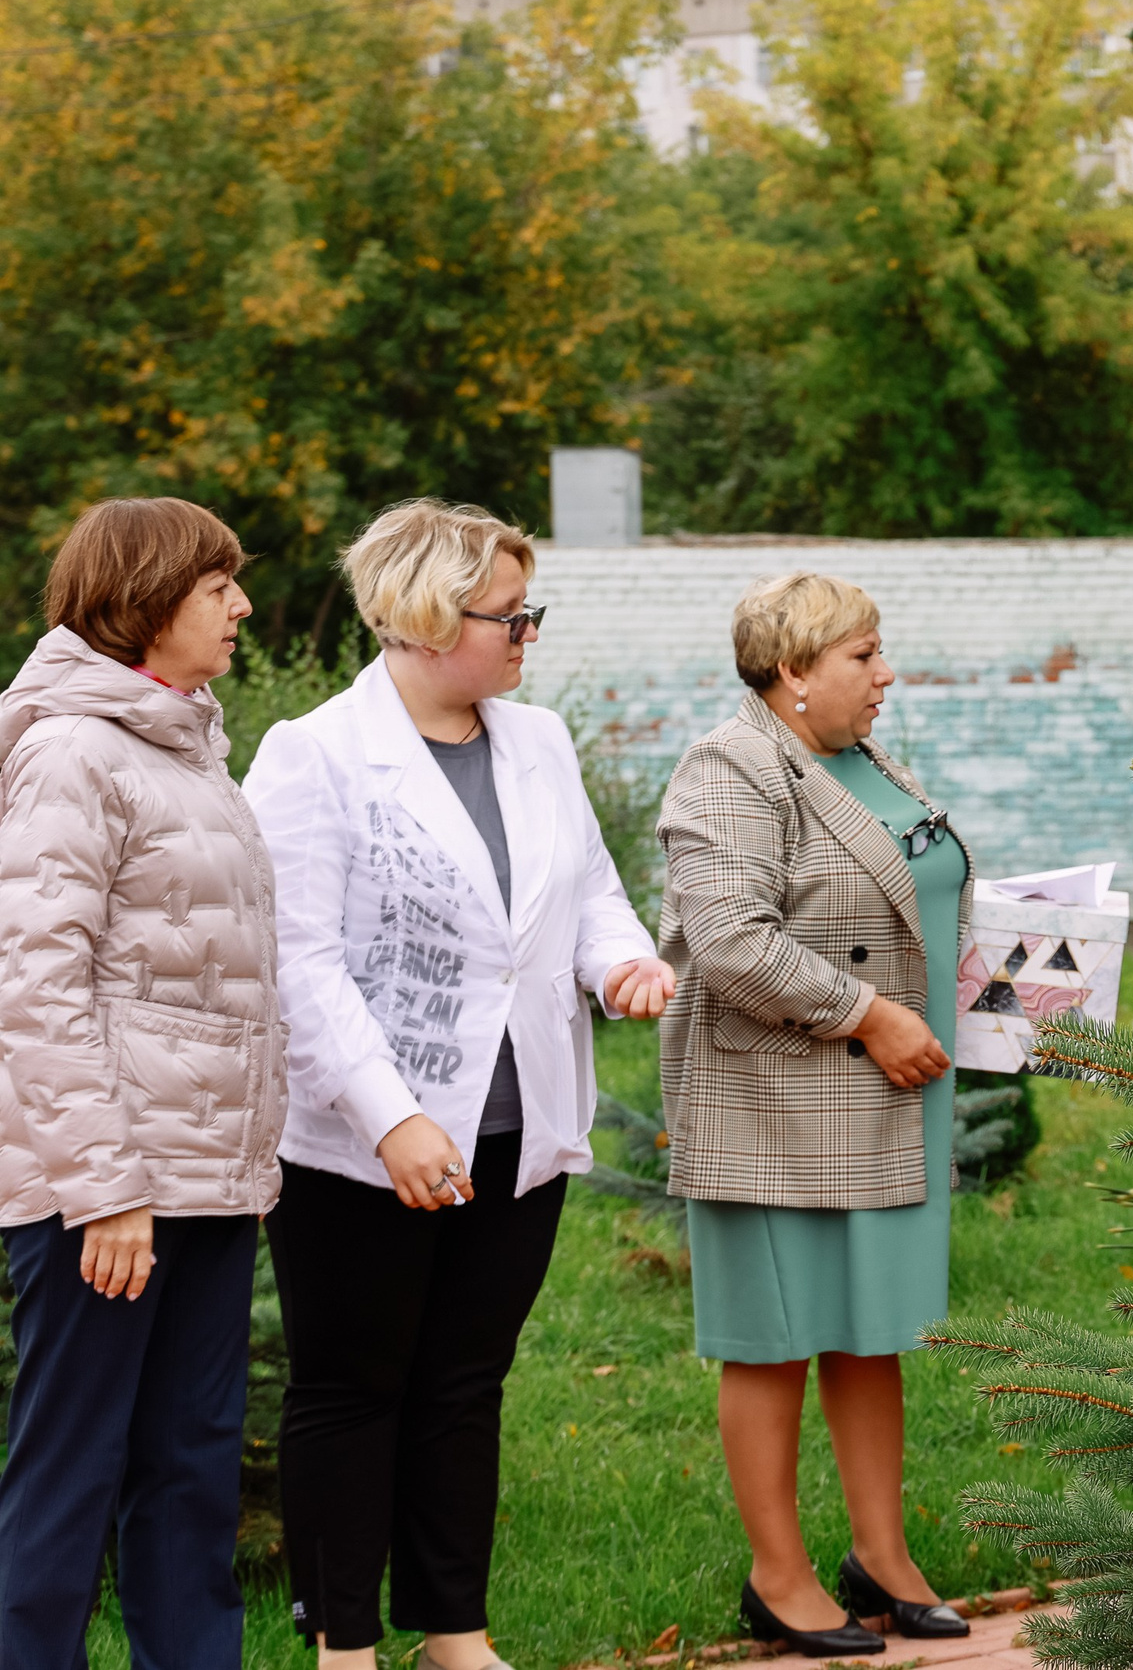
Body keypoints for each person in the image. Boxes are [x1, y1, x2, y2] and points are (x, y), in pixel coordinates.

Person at [243, 501, 674, 1670]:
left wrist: (621, 961)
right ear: (425, 620)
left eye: (530, 610)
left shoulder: (535, 741)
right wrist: (392, 1117)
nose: (527, 632)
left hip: (518, 1124)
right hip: (362, 1142)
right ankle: (342, 1643)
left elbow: (589, 891)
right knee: (351, 1386)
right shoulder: (314, 753)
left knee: (464, 1385)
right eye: (508, 614)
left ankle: (454, 1631)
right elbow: (301, 962)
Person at [657, 572, 977, 1659]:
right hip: (777, 1102)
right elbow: (729, 940)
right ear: (792, 671)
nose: (886, 675)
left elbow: (914, 892)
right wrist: (867, 1014)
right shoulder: (730, 767)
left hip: (889, 1095)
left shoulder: (861, 760)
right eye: (862, 656)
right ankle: (778, 1575)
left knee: (869, 1330)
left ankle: (880, 1558)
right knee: (774, 1340)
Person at [0, 499, 283, 1669]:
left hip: (208, 1179)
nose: (242, 606)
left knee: (189, 1469)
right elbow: (33, 982)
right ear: (147, 597)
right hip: (105, 1193)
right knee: (72, 1472)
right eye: (218, 585)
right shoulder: (71, 750)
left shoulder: (185, 747)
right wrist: (108, 1187)